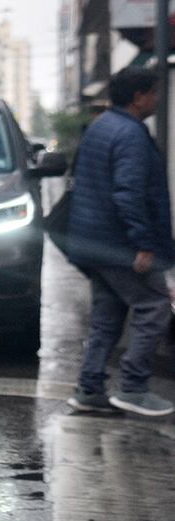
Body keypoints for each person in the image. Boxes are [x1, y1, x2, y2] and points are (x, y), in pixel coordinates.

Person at [66, 66, 174, 417]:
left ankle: (89, 388)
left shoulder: (101, 127)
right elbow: (128, 194)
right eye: (155, 93)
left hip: (92, 242)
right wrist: (143, 244)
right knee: (154, 305)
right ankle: (133, 387)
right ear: (139, 97)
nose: (158, 99)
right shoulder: (130, 135)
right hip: (119, 244)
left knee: (108, 317)